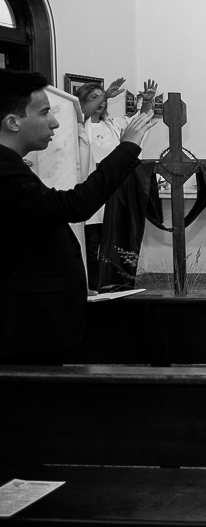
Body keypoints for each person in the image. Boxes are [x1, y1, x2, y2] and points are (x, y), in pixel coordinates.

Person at [0, 69, 159, 363]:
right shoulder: (3, 169)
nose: (55, 121)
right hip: (24, 324)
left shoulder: (11, 165)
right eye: (45, 112)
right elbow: (72, 205)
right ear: (13, 122)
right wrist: (127, 149)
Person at [76, 77, 158, 289]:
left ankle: (116, 286)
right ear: (81, 101)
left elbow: (139, 125)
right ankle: (94, 287)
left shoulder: (113, 126)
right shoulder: (78, 127)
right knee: (92, 248)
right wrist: (106, 94)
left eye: (102, 97)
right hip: (91, 194)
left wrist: (147, 102)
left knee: (115, 244)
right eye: (94, 97)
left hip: (115, 195)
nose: (101, 102)